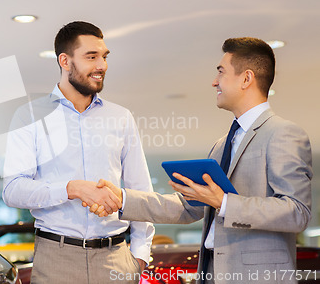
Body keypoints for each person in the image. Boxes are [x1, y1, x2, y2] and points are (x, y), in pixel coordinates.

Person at [91, 37, 313, 284]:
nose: (214, 81)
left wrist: (224, 202)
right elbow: (189, 207)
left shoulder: (283, 133)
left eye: (221, 72)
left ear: (246, 79)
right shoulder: (220, 145)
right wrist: (122, 199)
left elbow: (297, 212)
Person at [2, 21, 154, 283]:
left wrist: (139, 255)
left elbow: (140, 190)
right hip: (56, 259)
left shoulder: (121, 118)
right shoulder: (29, 116)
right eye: (91, 57)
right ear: (65, 60)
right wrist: (71, 188)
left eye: (104, 57)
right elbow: (13, 190)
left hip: (115, 259)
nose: (102, 66)